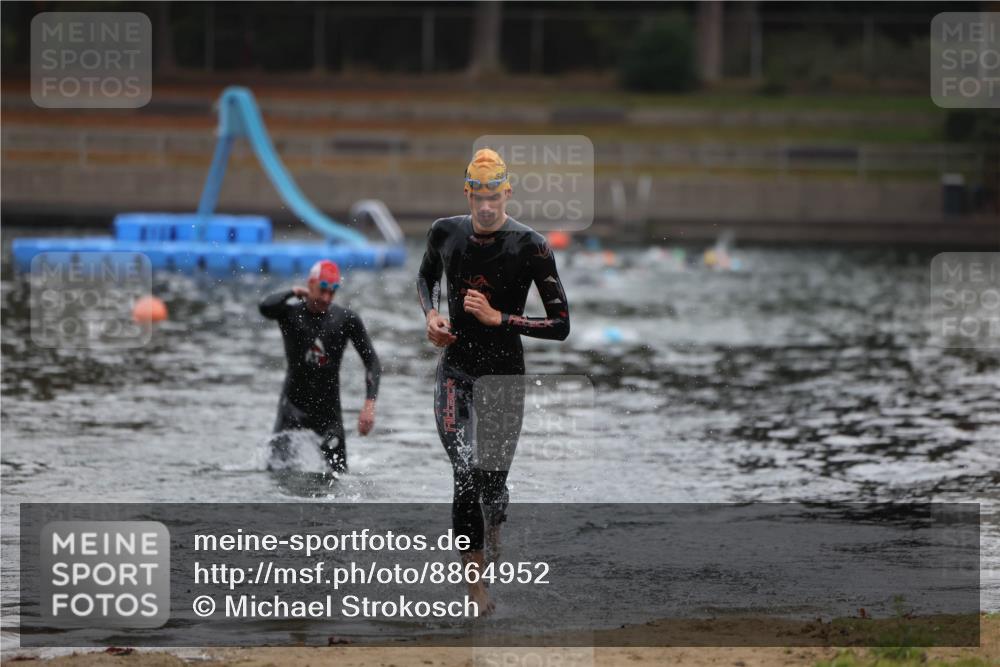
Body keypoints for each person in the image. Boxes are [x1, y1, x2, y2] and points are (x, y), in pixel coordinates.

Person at [416, 148, 570, 614]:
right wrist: (431, 316)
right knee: (464, 473)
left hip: (505, 377)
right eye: (478, 196)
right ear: (467, 193)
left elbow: (561, 325)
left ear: (507, 193)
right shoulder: (445, 232)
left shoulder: (532, 246)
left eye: (494, 197)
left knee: (491, 486)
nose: (486, 206)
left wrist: (501, 317)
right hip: (456, 371)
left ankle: (494, 521)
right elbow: (424, 279)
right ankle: (476, 589)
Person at [259, 259, 380, 474]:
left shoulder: (346, 319)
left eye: (332, 292)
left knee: (338, 475)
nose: (326, 298)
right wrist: (291, 292)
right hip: (292, 409)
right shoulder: (290, 314)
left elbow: (372, 361)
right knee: (274, 473)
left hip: (328, 414)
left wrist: (369, 404)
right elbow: (265, 307)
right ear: (310, 284)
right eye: (322, 290)